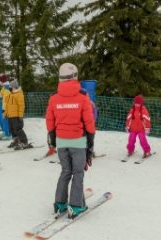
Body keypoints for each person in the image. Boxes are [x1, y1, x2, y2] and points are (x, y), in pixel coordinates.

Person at [45, 63, 95, 219]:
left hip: (61, 140)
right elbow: (89, 121)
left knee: (65, 171)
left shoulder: (54, 97)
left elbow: (50, 120)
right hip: (78, 141)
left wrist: (53, 139)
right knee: (78, 172)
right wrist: (91, 141)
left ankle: (59, 204)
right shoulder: (82, 96)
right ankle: (75, 205)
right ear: (74, 77)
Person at [4, 79, 32, 150]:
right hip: (10, 115)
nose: (10, 88)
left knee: (18, 129)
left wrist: (20, 115)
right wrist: (6, 113)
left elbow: (21, 105)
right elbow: (7, 105)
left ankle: (24, 142)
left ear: (15, 87)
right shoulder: (11, 94)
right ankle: (16, 140)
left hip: (16, 115)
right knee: (12, 129)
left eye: (11, 86)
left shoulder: (19, 94)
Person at [0, 74, 11, 140]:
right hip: (1, 105)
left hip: (4, 107)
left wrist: (4, 109)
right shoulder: (4, 87)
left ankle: (8, 134)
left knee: (5, 120)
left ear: (2, 81)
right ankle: (4, 131)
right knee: (1, 120)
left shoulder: (7, 88)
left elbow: (6, 100)